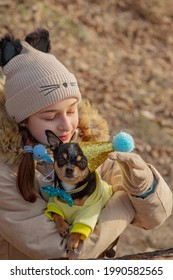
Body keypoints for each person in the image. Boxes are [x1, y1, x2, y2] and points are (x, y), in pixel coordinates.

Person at [0, 28, 172, 260]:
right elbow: (60, 253)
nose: (65, 125)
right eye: (50, 117)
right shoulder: (6, 172)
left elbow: (155, 218)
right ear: (21, 120)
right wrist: (125, 204)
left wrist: (143, 186)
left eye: (71, 111)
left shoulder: (89, 146)